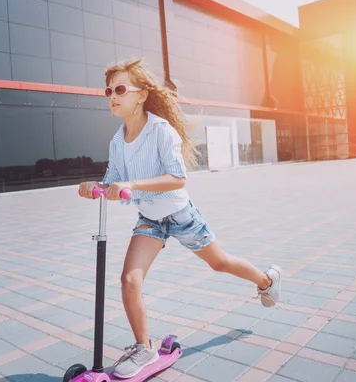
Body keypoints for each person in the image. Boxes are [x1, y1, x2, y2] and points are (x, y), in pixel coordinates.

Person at [78, 58, 282, 379]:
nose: (112, 96)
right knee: (129, 281)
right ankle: (145, 349)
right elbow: (112, 180)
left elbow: (177, 178)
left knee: (220, 263)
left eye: (120, 89)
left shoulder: (160, 130)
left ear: (142, 95)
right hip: (150, 219)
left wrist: (131, 185)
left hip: (180, 214)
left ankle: (267, 281)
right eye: (108, 91)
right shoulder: (117, 141)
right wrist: (95, 187)